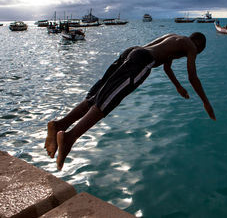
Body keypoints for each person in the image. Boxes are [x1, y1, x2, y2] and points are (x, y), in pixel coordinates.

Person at [45, 32, 216, 170]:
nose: (192, 55)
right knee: (106, 103)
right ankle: (69, 138)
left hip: (132, 51)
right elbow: (193, 77)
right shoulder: (191, 46)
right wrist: (205, 102)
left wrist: (178, 86)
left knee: (97, 97)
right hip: (142, 60)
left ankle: (60, 124)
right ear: (199, 46)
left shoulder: (174, 38)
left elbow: (166, 66)